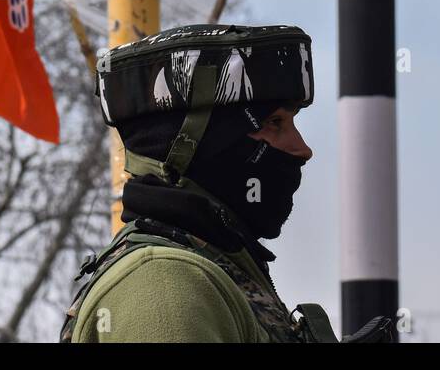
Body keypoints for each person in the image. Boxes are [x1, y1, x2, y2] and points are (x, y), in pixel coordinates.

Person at [61, 24, 393, 343]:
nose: (302, 149)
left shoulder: (211, 272)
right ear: (192, 144)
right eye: (273, 123)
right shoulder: (164, 284)